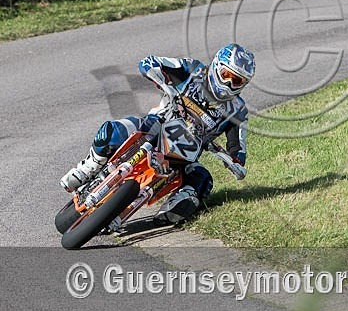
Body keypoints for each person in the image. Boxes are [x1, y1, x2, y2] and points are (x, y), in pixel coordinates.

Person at [60, 43, 255, 226]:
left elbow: (239, 149)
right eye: (227, 75)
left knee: (203, 181)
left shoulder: (238, 111)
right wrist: (163, 82)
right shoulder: (193, 69)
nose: (229, 83)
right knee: (112, 131)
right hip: (154, 125)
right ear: (216, 66)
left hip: (184, 156)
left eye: (237, 81)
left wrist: (235, 161)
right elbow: (150, 62)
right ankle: (88, 168)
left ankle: (170, 211)